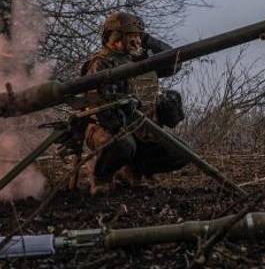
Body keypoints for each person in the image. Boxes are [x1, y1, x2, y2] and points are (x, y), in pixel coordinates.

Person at [80, 11, 189, 194]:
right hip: (107, 129)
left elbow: (175, 62)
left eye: (138, 36)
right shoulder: (101, 64)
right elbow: (105, 113)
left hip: (142, 129)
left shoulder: (141, 62)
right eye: (130, 36)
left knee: (181, 152)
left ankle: (132, 172)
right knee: (123, 145)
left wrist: (148, 40)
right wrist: (126, 107)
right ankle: (101, 178)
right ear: (115, 38)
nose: (136, 41)